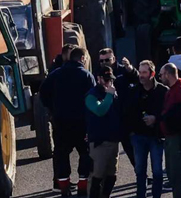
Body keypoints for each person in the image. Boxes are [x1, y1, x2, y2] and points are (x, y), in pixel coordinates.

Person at [40, 46, 96, 197]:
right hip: (82, 124)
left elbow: (43, 93)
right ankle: (82, 187)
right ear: (83, 59)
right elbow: (94, 98)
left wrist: (53, 109)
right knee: (85, 154)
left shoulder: (55, 75)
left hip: (61, 122)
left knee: (61, 154)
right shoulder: (87, 76)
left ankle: (64, 188)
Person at [130, 60, 167, 198]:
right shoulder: (134, 91)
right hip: (138, 136)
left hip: (156, 136)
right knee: (140, 170)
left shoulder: (163, 91)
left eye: (144, 72)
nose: (141, 75)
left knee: (157, 171)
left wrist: (155, 118)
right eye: (140, 72)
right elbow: (128, 112)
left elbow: (168, 113)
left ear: (152, 74)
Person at [86, 66, 123, 198]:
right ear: (98, 79)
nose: (109, 83)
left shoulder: (114, 93)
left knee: (112, 175)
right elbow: (100, 110)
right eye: (106, 80)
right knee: (97, 175)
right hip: (99, 142)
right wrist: (109, 95)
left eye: (110, 80)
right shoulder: (91, 95)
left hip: (113, 140)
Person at [159, 63, 181, 198]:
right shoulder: (174, 88)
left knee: (176, 175)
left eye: (161, 75)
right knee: (171, 173)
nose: (160, 77)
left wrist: (176, 118)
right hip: (170, 136)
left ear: (168, 74)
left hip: (176, 137)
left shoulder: (180, 89)